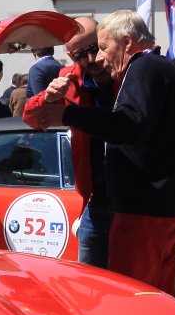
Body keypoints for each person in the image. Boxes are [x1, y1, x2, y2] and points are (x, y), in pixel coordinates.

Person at [41, 10, 175, 294]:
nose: (99, 58)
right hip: (166, 208)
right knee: (157, 299)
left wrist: (67, 115)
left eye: (102, 47)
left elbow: (127, 125)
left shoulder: (142, 68)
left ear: (125, 42)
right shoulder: (164, 69)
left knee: (132, 298)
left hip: (144, 213)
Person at [25, 18, 117, 267]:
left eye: (95, 49)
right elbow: (32, 120)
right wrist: (47, 97)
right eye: (80, 55)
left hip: (134, 199)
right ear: (70, 55)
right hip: (97, 197)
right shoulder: (69, 79)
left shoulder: (127, 72)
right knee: (90, 279)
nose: (91, 59)